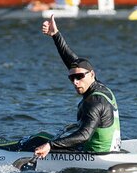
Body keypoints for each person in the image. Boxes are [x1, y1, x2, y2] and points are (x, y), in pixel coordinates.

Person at [33, 15, 120, 158]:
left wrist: (50, 146)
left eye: (79, 78)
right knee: (43, 136)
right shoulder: (100, 87)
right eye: (72, 78)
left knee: (37, 141)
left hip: (96, 157)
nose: (75, 82)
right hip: (109, 150)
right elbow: (74, 63)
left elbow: (84, 135)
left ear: (92, 74)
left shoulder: (94, 103)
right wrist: (55, 35)